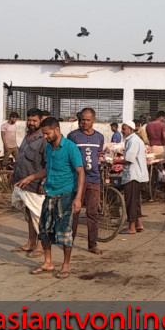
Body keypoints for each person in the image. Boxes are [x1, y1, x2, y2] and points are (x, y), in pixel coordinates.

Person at [17, 118, 85, 279]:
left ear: (57, 130)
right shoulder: (48, 147)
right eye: (43, 134)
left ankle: (65, 265)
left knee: (65, 233)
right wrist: (31, 177)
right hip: (50, 193)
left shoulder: (70, 148)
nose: (45, 137)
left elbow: (81, 172)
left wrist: (78, 198)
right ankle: (48, 262)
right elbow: (47, 169)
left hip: (66, 194)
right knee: (45, 229)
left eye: (47, 133)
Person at [67, 108, 104, 255]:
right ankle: (69, 241)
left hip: (94, 180)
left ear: (93, 120)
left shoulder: (99, 137)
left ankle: (92, 245)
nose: (84, 122)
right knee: (74, 212)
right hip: (77, 181)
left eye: (87, 120)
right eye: (82, 119)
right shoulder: (73, 136)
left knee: (92, 213)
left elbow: (99, 154)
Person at [10, 108, 46, 258]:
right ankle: (31, 242)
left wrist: (43, 181)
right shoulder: (27, 137)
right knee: (29, 215)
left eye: (34, 120)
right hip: (22, 182)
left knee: (38, 216)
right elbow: (21, 157)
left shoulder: (43, 139)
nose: (31, 123)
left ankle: (40, 245)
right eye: (29, 120)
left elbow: (47, 163)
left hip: (35, 185)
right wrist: (14, 173)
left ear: (40, 121)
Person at [113, 121, 148, 234]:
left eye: (124, 129)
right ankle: (138, 223)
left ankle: (131, 227)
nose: (122, 131)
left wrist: (114, 161)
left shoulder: (133, 141)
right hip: (136, 174)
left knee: (131, 201)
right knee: (135, 200)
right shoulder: (133, 140)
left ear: (130, 129)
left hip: (133, 175)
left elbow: (129, 159)